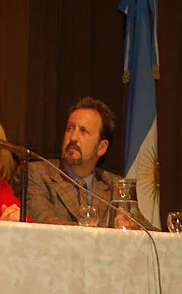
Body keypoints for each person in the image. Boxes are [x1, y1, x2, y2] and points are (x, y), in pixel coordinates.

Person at [26, 96, 156, 230]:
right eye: (70, 128)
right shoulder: (36, 174)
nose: (73, 137)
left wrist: (132, 227)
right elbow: (42, 222)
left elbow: (148, 231)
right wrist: (110, 231)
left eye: (83, 131)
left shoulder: (115, 186)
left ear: (102, 147)